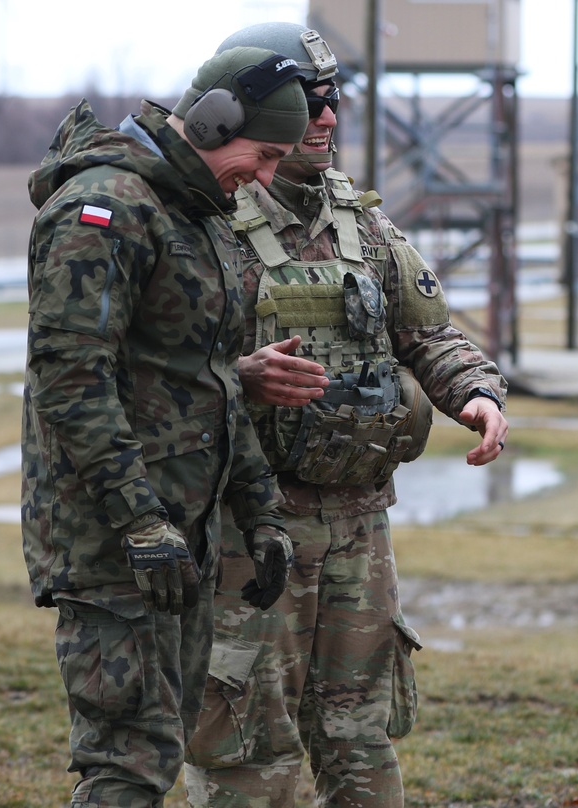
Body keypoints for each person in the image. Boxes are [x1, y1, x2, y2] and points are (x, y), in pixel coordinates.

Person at [183, 23, 510, 808]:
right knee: (247, 744)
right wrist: (243, 377)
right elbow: (159, 371)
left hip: (359, 524)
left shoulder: (361, 222)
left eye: (335, 100)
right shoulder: (207, 221)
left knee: (359, 735)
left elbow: (427, 331)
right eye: (310, 102)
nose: (326, 117)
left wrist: (475, 393)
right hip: (250, 528)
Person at [22, 45, 311, 806]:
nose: (266, 176)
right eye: (264, 153)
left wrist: (261, 514)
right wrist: (141, 521)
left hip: (179, 543)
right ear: (215, 120)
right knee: (128, 764)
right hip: (114, 544)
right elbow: (70, 377)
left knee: (161, 746)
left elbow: (213, 380)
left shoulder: (198, 217)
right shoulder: (106, 207)